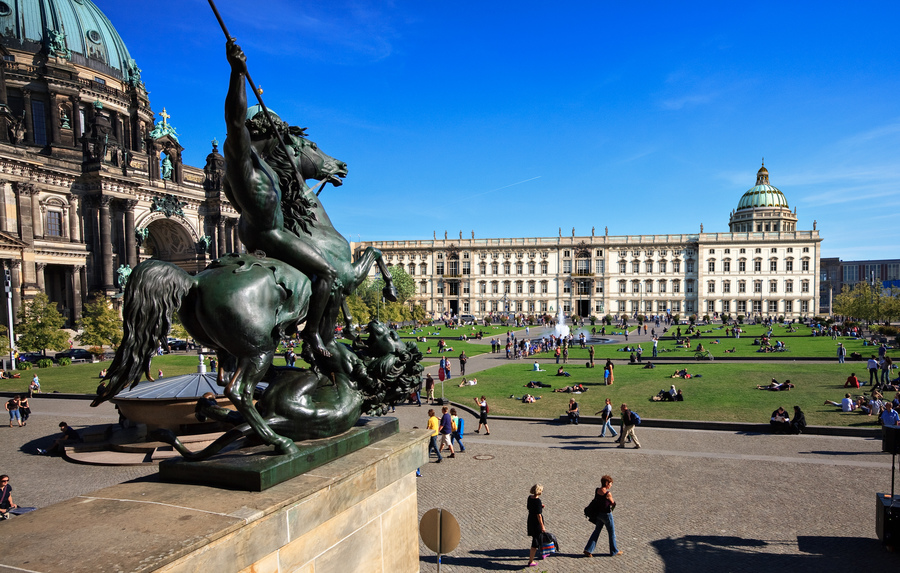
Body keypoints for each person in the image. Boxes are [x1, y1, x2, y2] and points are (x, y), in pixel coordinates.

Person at [583, 475, 623, 557]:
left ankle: (588, 550)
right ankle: (614, 550)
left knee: (596, 531)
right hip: (607, 515)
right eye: (610, 483)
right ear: (607, 483)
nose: (611, 485)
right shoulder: (608, 493)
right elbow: (613, 503)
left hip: (599, 514)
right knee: (611, 533)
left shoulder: (597, 490)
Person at [526, 484, 546, 567]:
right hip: (536, 522)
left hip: (530, 519)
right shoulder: (538, 501)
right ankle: (531, 561)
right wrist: (542, 526)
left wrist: (540, 507)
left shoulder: (530, 498)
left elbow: (529, 507)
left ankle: (543, 552)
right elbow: (539, 515)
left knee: (538, 538)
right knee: (536, 540)